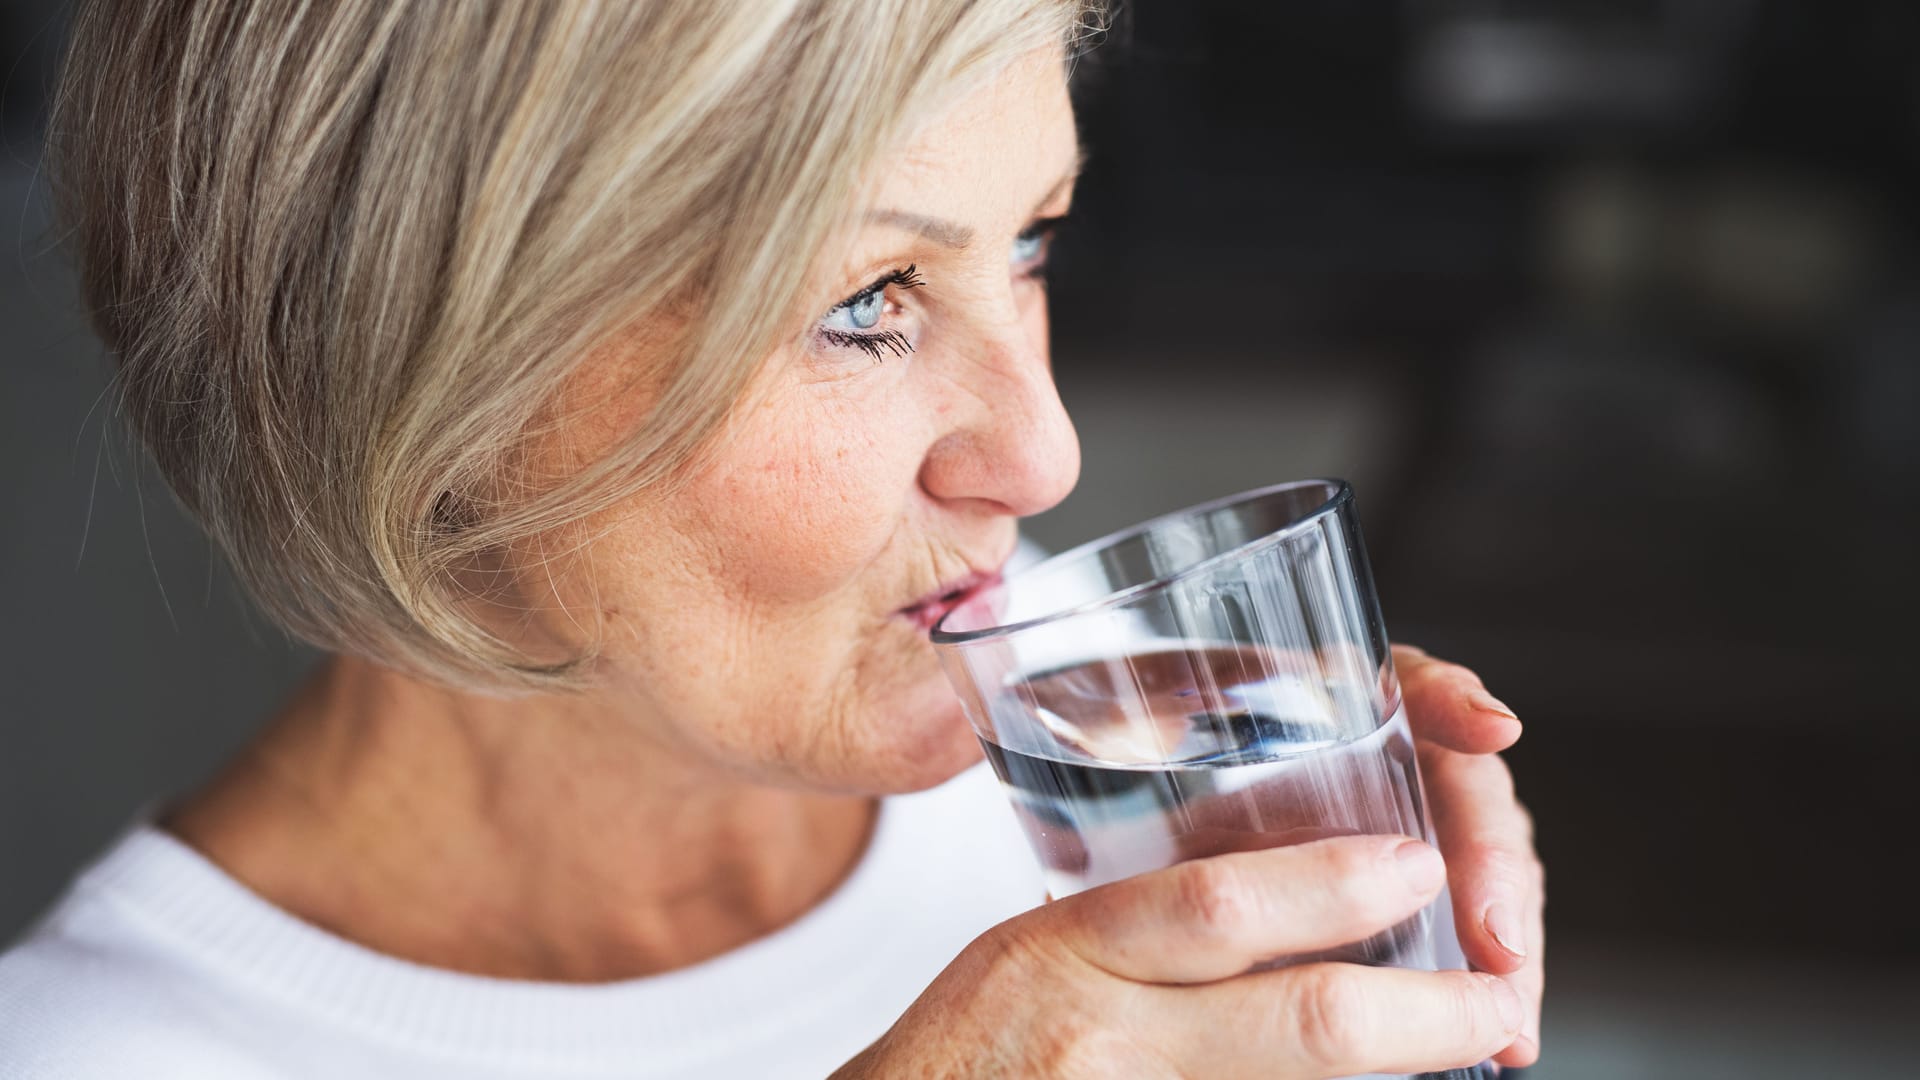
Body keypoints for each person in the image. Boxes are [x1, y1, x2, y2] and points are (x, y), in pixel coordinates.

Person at [0, 2, 1544, 1077]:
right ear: (427, 372)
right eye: (865, 306)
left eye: (1031, 245)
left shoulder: (1140, 809)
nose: (1044, 452)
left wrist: (1376, 967)